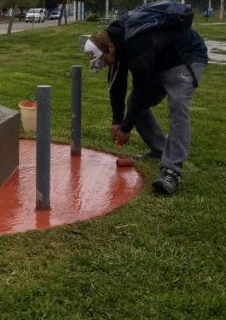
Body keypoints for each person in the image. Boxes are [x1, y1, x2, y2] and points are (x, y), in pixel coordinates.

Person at [84, 13, 208, 195]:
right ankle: (159, 149)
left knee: (178, 105)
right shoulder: (117, 42)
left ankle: (171, 171)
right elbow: (117, 84)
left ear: (110, 48)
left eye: (103, 61)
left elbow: (142, 89)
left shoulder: (135, 44)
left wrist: (126, 128)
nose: (103, 65)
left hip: (186, 56)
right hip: (159, 61)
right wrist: (117, 120)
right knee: (133, 101)